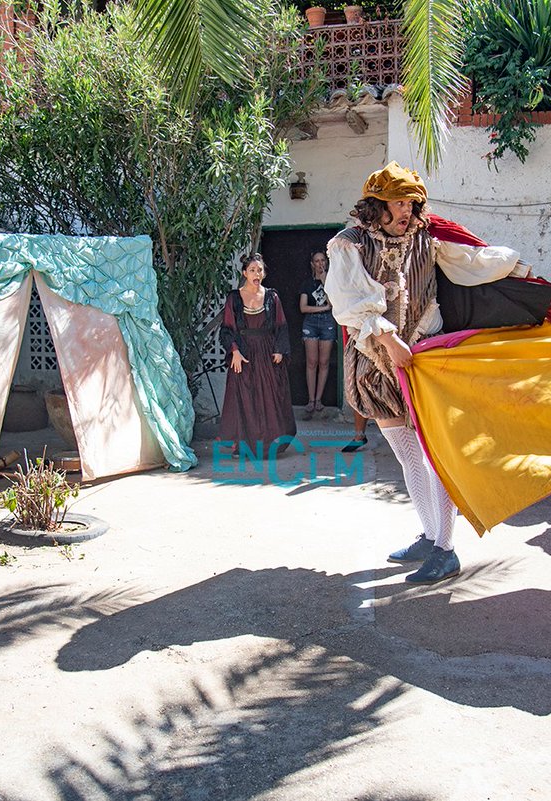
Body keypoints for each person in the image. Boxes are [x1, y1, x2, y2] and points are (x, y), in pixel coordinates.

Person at [325, 162, 532, 584]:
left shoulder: (429, 236)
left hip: (425, 357)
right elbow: (349, 300)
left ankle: (445, 548)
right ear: (377, 205)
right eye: (398, 203)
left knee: (437, 454)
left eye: (410, 203)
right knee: (406, 452)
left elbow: (474, 261)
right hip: (375, 358)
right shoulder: (348, 243)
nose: (406, 210)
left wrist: (524, 274)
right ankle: (429, 534)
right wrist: (388, 340)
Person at [218, 254, 296, 457]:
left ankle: (270, 446)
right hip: (243, 352)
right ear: (245, 273)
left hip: (267, 351)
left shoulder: (272, 297)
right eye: (252, 270)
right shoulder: (234, 298)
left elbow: (281, 325)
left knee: (269, 397)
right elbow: (227, 328)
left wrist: (279, 349)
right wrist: (234, 350)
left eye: (260, 270)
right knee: (244, 397)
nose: (257, 274)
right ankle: (242, 446)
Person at [299, 251, 337, 416]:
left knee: (324, 361)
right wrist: (323, 308)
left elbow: (334, 303)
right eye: (317, 261)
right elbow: (303, 307)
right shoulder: (307, 284)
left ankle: (319, 399)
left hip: (328, 322)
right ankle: (311, 400)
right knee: (312, 362)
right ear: (312, 264)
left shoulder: (332, 282)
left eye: (322, 260)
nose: (320, 263)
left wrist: (324, 281)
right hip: (311, 323)